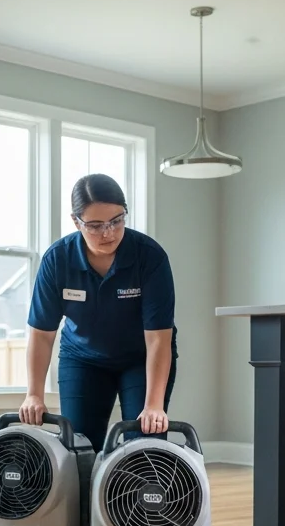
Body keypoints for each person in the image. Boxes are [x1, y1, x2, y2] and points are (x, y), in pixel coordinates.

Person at [19, 173, 177, 455]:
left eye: (117, 220)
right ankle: (84, 501)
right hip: (82, 359)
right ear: (76, 221)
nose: (109, 232)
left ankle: (130, 499)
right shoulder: (57, 260)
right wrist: (34, 394)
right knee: (80, 446)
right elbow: (42, 335)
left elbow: (158, 340)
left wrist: (153, 405)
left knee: (144, 445)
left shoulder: (150, 257)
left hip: (141, 358)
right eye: (95, 225)